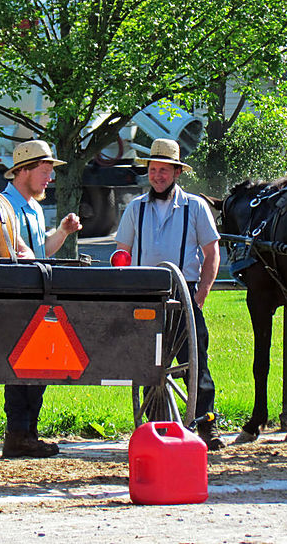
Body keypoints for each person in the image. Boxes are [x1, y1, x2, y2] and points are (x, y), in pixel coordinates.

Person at [114, 138, 225, 451]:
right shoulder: (135, 208)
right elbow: (122, 251)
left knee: (194, 361)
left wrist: (202, 291)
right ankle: (156, 425)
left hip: (184, 292)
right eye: (152, 169)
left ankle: (206, 424)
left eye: (164, 170)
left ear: (177, 173)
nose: (157, 176)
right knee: (149, 364)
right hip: (145, 294)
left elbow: (211, 251)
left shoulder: (196, 207)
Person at [0, 139, 82, 458]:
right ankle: (18, 434)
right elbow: (18, 253)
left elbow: (40, 251)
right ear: (23, 172)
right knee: (23, 369)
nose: (50, 179)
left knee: (39, 367)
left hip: (37, 296)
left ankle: (27, 433)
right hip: (19, 298)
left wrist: (62, 232)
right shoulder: (4, 207)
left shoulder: (32, 206)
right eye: (45, 172)